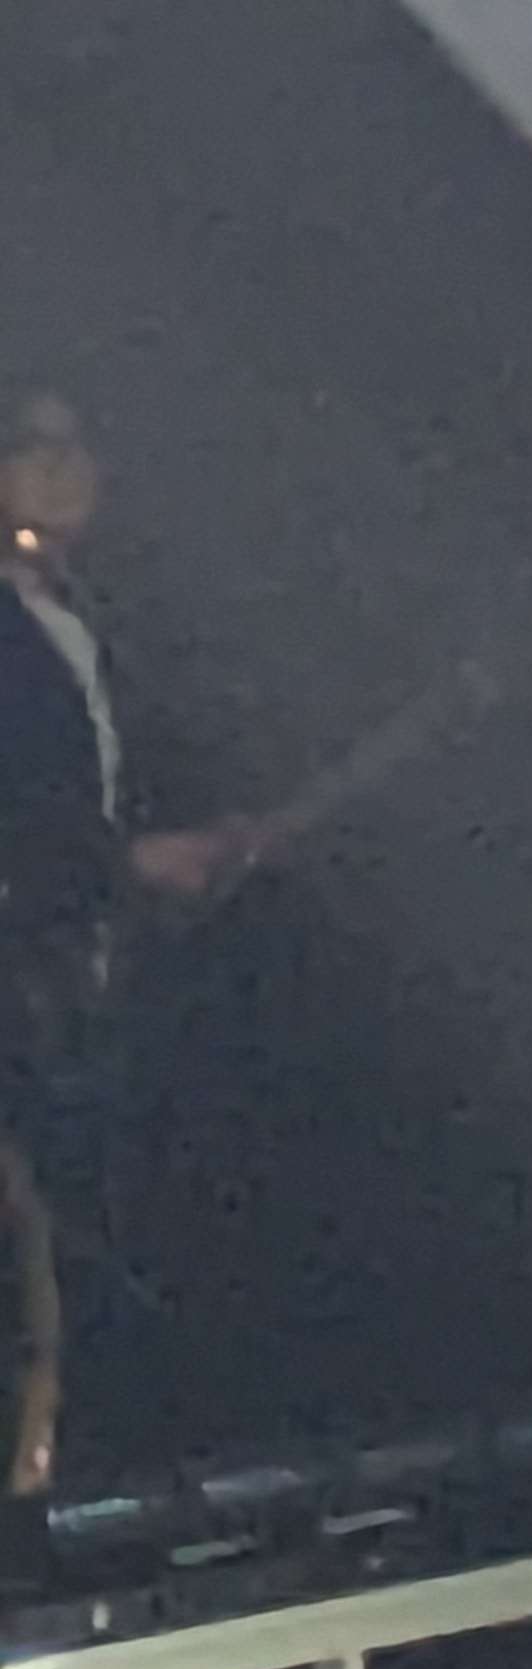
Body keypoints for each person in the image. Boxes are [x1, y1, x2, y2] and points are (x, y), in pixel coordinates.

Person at [3, 388, 255, 1492]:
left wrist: (176, 857)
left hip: (80, 982)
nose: (63, 469)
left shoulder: (87, 612)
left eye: (76, 446)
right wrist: (122, 864)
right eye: (31, 448)